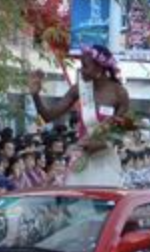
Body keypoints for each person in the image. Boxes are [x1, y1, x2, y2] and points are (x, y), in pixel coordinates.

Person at [29, 46, 130, 187]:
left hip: (106, 161)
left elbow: (119, 133)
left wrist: (96, 142)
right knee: (75, 205)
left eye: (85, 66)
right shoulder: (79, 89)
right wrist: (35, 95)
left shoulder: (120, 93)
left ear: (99, 68)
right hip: (81, 160)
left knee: (104, 206)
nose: (81, 70)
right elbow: (48, 116)